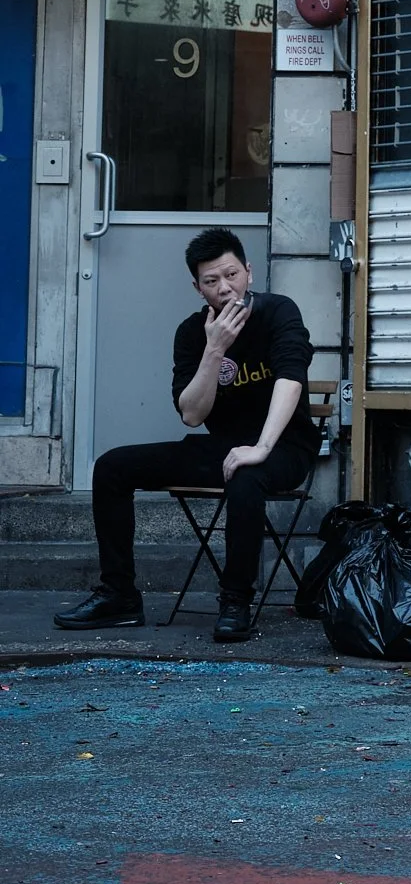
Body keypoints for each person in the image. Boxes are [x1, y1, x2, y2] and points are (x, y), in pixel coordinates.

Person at [55, 228, 320, 644]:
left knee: (246, 475)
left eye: (231, 275)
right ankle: (119, 596)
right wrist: (214, 349)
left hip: (283, 447)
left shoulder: (279, 312)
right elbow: (192, 415)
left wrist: (261, 447)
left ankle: (236, 601)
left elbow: (290, 378)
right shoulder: (192, 333)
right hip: (220, 449)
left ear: (249, 273)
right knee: (111, 467)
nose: (224, 287)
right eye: (211, 281)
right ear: (198, 288)